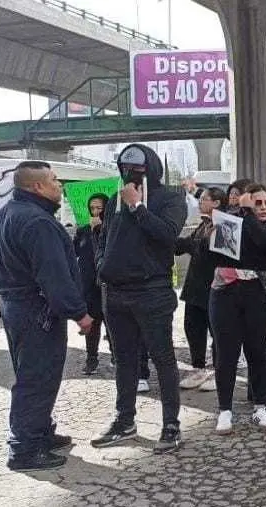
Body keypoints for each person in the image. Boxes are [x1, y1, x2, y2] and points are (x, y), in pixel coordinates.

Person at [0, 161, 94, 471]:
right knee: (37, 379)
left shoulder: (8, 213)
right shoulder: (38, 222)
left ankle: (39, 433)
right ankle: (24, 449)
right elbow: (54, 275)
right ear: (37, 187)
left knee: (32, 374)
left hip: (17, 307)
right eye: (53, 180)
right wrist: (79, 313)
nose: (59, 184)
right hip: (38, 311)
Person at [91, 143, 187, 453]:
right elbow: (105, 237)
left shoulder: (170, 197)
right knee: (124, 361)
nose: (130, 173)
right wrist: (102, 264)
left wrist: (138, 207)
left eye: (137, 168)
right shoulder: (114, 200)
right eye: (125, 167)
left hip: (152, 291)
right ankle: (124, 420)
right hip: (116, 292)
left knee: (163, 358)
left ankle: (171, 425)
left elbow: (167, 235)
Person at [207, 184, 266, 434]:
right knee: (226, 353)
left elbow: (265, 242)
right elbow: (213, 254)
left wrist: (247, 212)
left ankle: (260, 406)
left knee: (257, 352)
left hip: (257, 295)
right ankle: (224, 410)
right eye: (257, 202)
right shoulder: (232, 220)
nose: (262, 207)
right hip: (225, 294)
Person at [175, 187, 225, 391]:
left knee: (217, 332)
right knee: (193, 329)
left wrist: (198, 245)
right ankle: (198, 368)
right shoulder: (203, 225)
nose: (200, 202)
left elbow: (213, 254)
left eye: (204, 199)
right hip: (195, 288)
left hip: (215, 288)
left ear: (216, 203)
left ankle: (219, 370)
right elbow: (186, 244)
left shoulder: (223, 226)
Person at [74, 193, 108, 375]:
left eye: (99, 208)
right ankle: (92, 359)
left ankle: (116, 357)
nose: (95, 212)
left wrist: (99, 230)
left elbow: (102, 253)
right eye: (92, 208)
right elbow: (74, 253)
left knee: (113, 325)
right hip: (89, 286)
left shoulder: (111, 230)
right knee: (92, 325)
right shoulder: (83, 231)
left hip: (107, 284)